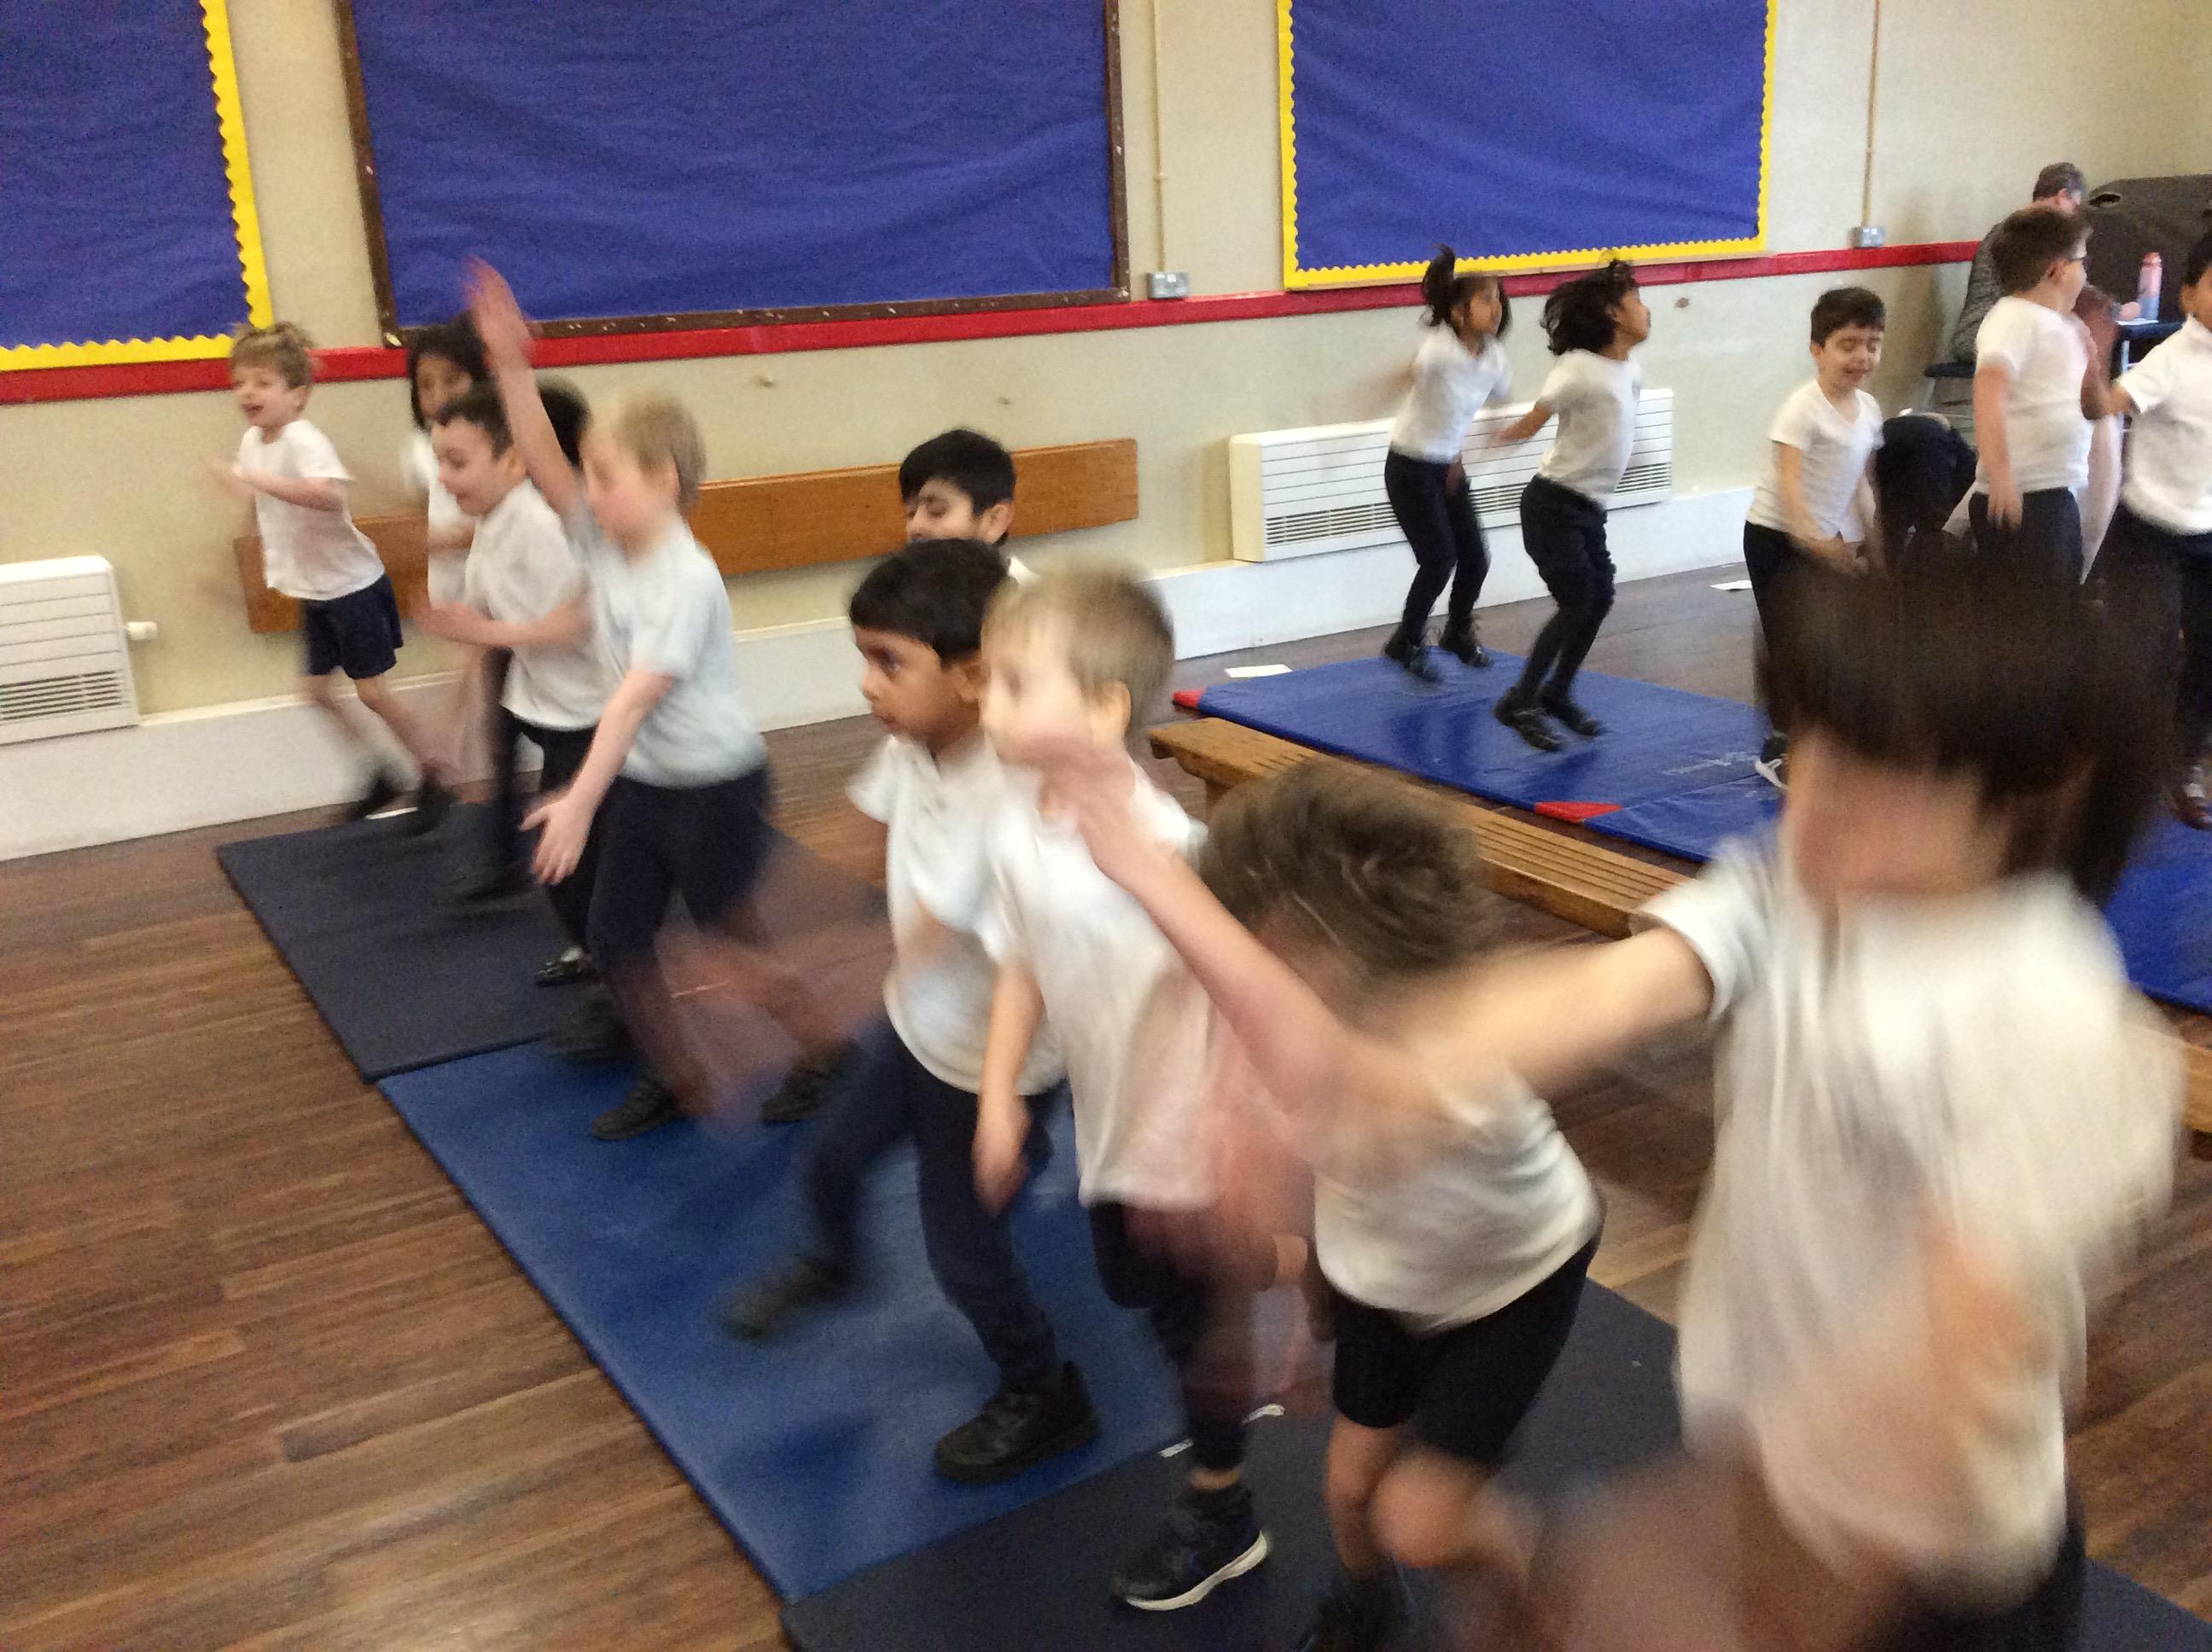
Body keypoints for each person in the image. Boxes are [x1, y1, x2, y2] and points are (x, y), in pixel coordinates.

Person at [1324, 562, 2174, 1650]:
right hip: (1763, 1477)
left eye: (1880, 765)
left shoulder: (2054, 1020)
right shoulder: (1799, 893)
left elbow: (1962, 1334)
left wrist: (1721, 1560)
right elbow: (1609, 990)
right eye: (1810, 739)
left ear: (2038, 792)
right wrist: (1403, 1067)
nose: (1816, 792)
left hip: (1926, 1563)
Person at [1051, 757, 1603, 1652]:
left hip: (1512, 1282)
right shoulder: (1267, 1053)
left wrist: (1154, 876)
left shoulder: (1446, 1053)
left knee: (1420, 1521)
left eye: (1262, 954)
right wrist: (1303, 1324)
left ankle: (1529, 1588)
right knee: (1349, 1493)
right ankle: (1367, 1607)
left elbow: (1312, 1052)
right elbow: (1306, 1190)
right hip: (1385, 1280)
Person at [719, 540, 1098, 1486]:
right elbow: (860, 832)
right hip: (918, 1028)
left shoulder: (1014, 790)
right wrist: (764, 926)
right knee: (831, 1160)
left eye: (890, 662)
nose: (866, 684)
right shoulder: (913, 745)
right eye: (864, 657)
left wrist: (791, 976)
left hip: (995, 1062)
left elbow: (933, 927)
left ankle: (1045, 1390)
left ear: (972, 676)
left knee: (963, 1253)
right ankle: (837, 1262)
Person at [469, 261, 853, 1141]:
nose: (588, 489)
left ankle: (826, 1051)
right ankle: (678, 1078)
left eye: (607, 475)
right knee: (616, 937)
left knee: (733, 941)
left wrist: (579, 800)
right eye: (591, 474)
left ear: (666, 481)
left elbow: (633, 700)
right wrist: (512, 366)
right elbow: (542, 460)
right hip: (648, 783)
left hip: (715, 787)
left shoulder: (686, 578)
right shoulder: (606, 541)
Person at [971, 568, 1291, 1611]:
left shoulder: (1169, 851)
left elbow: (1245, 999)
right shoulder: (1018, 827)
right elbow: (1020, 960)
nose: (987, 702)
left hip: (1191, 1143)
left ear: (1106, 709)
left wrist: (1234, 1129)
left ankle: (1222, 1507)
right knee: (1135, 1286)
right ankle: (1298, 1261)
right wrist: (999, 1092)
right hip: (1112, 1129)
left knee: (1194, 1336)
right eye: (987, 678)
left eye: (1015, 683)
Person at [212, 323, 453, 828]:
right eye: (239, 383)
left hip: (351, 586)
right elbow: (260, 505)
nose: (248, 392)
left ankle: (435, 772)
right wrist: (241, 569)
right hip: (314, 589)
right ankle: (381, 774)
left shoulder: (304, 440)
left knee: (372, 693)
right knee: (316, 692)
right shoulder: (253, 442)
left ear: (297, 394)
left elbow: (328, 496)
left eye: (262, 382)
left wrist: (257, 481)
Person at [414, 384, 613, 970]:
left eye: (458, 462)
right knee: (565, 859)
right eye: (439, 462)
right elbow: (484, 624)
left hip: (592, 715)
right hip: (553, 709)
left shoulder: (538, 526)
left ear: (513, 461)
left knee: (575, 856)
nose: (444, 478)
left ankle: (615, 965)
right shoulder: (494, 524)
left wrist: (485, 632)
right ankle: (598, 952)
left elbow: (576, 623)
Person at [1487, 260, 1651, 751]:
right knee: (1578, 601)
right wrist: (1489, 441)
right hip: (1552, 506)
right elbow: (1535, 420)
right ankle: (1520, 701)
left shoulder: (1630, 370)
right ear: (1613, 313)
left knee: (1599, 599)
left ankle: (1556, 693)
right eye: (1637, 301)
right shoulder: (1578, 367)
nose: (1647, 310)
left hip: (1589, 509)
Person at [1741, 287, 1887, 788]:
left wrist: (1875, 542)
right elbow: (1789, 481)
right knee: (1789, 644)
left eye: (1872, 344)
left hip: (1821, 540)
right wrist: (1810, 537)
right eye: (1848, 345)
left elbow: (1863, 483)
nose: (1862, 356)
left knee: (1830, 640)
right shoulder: (1802, 408)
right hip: (1774, 536)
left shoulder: (1869, 409)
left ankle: (1827, 738)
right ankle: (1780, 748)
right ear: (1817, 350)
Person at [2091, 230, 2212, 829]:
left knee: (2208, 655)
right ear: (2187, 296)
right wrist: (2093, 353)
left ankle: (2181, 763)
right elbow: (2109, 403)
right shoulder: (2170, 359)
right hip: (2150, 535)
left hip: (2208, 535)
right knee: (2149, 654)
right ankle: (2118, 766)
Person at [1378, 247, 1514, 682]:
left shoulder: (1494, 357)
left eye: (1498, 299)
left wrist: (1479, 445)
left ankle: (1456, 631)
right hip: (1410, 466)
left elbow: (1483, 407)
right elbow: (1414, 373)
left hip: (1448, 467)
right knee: (1439, 559)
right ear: (1458, 313)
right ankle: (1406, 641)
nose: (1496, 307)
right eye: (1485, 300)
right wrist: (1376, 393)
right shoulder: (1439, 347)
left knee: (1475, 557)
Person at [1968, 207, 2117, 585]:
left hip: (2056, 491)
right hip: (2023, 497)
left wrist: (2095, 360)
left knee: (2059, 602)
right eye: (2082, 262)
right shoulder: (2014, 317)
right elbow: (1988, 391)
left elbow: (2094, 409)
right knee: (2027, 610)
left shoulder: (2066, 326)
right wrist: (2001, 475)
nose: (2086, 274)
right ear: (2058, 270)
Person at [1948, 162, 2086, 362]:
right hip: (1984, 332)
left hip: (1991, 328)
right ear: (2062, 196)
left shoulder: (2013, 229)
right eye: (2076, 207)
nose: (2075, 216)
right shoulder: (2033, 235)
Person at [899, 428, 1036, 580]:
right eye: (910, 513)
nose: (915, 526)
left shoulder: (1033, 594)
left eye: (936, 511)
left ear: (995, 520)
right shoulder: (901, 588)